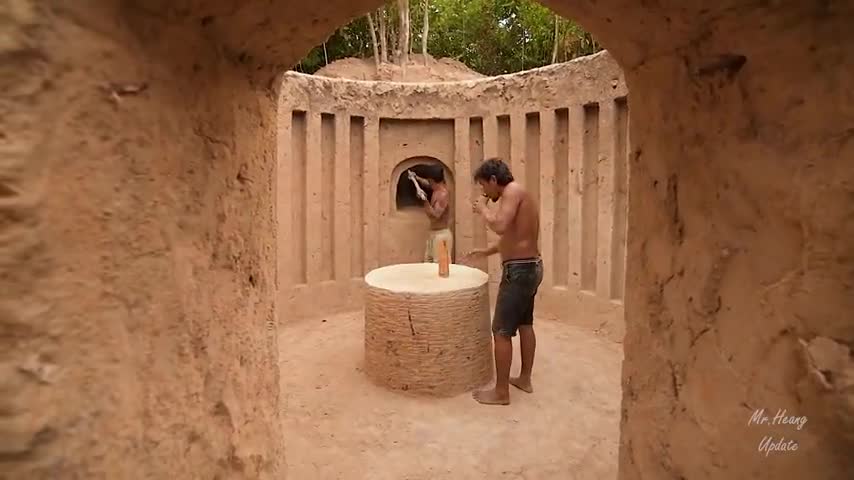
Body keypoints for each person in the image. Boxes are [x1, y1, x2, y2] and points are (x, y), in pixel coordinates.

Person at [464, 157, 542, 406]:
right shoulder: (519, 194)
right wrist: (485, 252)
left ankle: (501, 392)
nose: (484, 192)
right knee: (525, 323)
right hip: (529, 267)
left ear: (494, 180)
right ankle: (525, 379)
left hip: (519, 271)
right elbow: (514, 236)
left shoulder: (512, 191)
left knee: (501, 331)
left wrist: (482, 210)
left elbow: (499, 225)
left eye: (483, 186)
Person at [408, 165, 453, 263]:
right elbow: (426, 183)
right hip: (432, 234)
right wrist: (416, 178)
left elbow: (436, 215)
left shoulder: (443, 195)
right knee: (428, 266)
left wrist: (424, 200)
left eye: (430, 181)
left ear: (434, 181)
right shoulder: (436, 189)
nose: (429, 183)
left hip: (441, 236)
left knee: (440, 268)